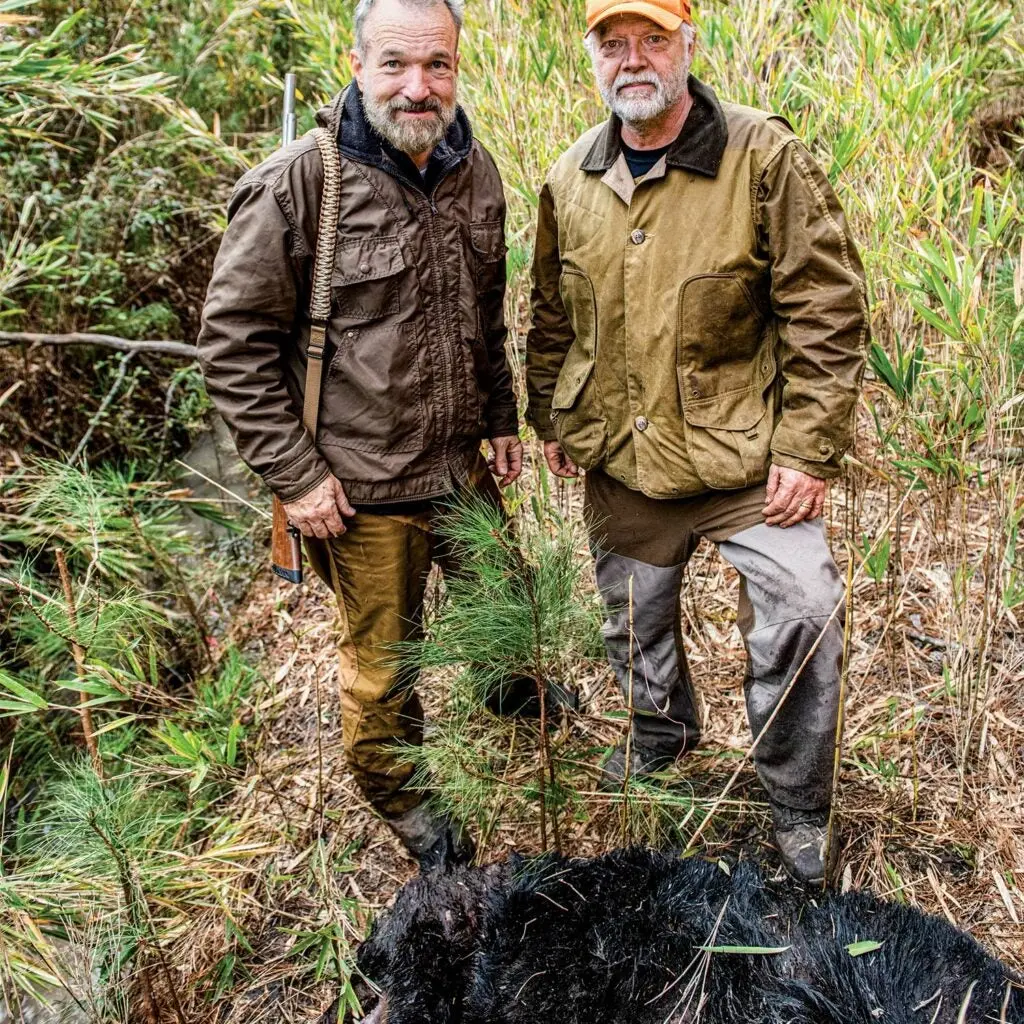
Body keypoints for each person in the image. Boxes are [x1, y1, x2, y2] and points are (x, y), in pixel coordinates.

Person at [525, 0, 868, 885]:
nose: (632, 59)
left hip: (745, 459)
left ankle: (795, 801)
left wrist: (807, 448)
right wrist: (552, 419)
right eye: (614, 43)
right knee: (632, 626)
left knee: (803, 606)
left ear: (687, 43)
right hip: (623, 461)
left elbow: (824, 309)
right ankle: (662, 740)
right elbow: (552, 318)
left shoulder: (764, 156)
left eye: (652, 39)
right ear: (593, 57)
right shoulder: (570, 178)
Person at [198, 0, 524, 872]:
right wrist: (298, 478)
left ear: (458, 66)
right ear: (356, 64)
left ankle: (508, 694)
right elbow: (231, 346)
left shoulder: (471, 170)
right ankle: (417, 814)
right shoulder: (303, 184)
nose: (418, 88)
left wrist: (501, 419)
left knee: (516, 603)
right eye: (394, 65)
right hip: (362, 490)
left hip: (458, 466)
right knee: (385, 680)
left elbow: (483, 317)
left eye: (438, 66)